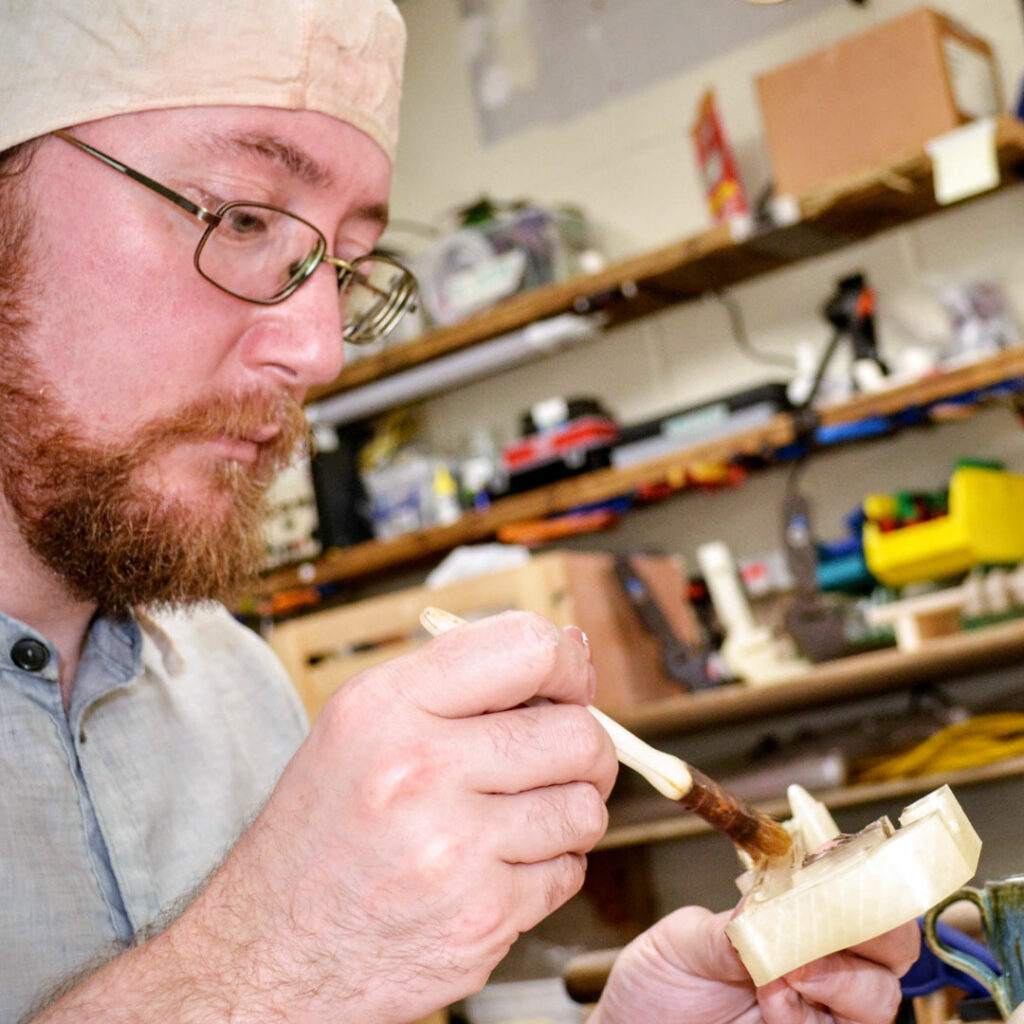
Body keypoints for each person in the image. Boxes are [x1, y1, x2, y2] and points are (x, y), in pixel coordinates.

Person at [0, 1, 918, 1020]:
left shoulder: (238, 693)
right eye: (245, 217)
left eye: (342, 269)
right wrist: (272, 959)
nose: (322, 350)